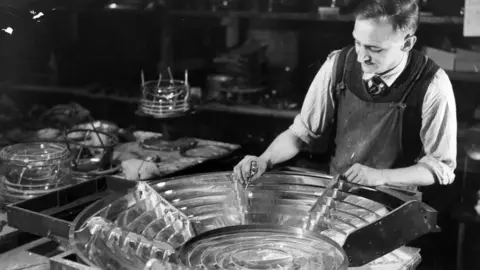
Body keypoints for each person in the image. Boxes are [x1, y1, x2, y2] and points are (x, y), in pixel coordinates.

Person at [233, 0, 457, 192]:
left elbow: (441, 166)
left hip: (394, 205)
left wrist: (381, 177)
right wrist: (264, 160)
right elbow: (300, 133)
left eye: (375, 49)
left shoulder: (432, 84)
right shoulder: (339, 64)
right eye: (358, 43)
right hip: (338, 194)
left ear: (407, 43)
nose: (361, 58)